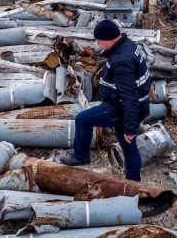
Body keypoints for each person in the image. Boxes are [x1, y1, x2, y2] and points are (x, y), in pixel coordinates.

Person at [59, 19, 151, 182]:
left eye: (99, 40)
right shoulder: (127, 45)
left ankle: (81, 156)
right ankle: (133, 182)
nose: (97, 44)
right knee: (129, 147)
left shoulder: (122, 62)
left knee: (83, 120)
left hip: (121, 109)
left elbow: (129, 98)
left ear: (109, 38)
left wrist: (129, 128)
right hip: (130, 106)